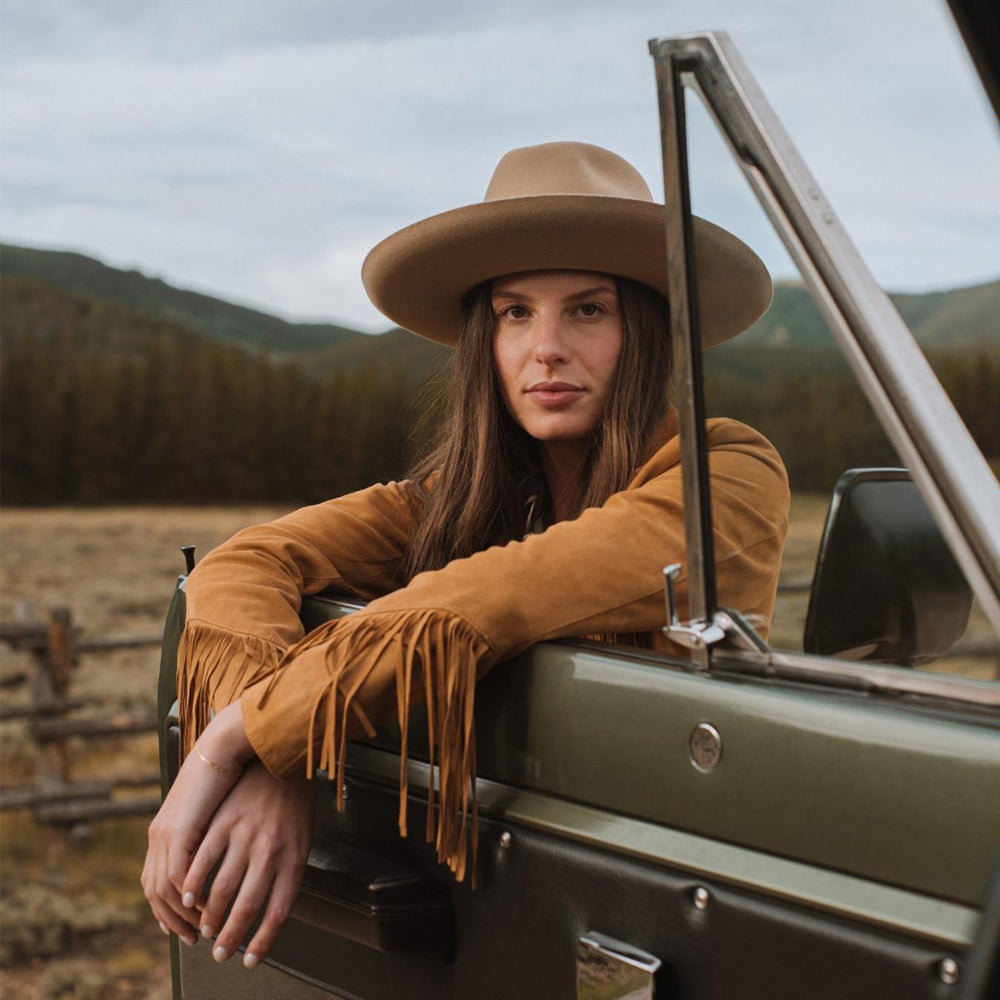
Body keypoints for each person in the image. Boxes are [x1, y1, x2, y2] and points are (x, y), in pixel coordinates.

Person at [141, 140, 789, 969]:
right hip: (483, 914)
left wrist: (241, 738)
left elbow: (495, 596)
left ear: (646, 327)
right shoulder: (453, 498)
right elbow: (244, 563)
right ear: (484, 339)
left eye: (588, 309)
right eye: (515, 313)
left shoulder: (723, 475)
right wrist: (279, 758)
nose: (545, 347)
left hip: (667, 909)